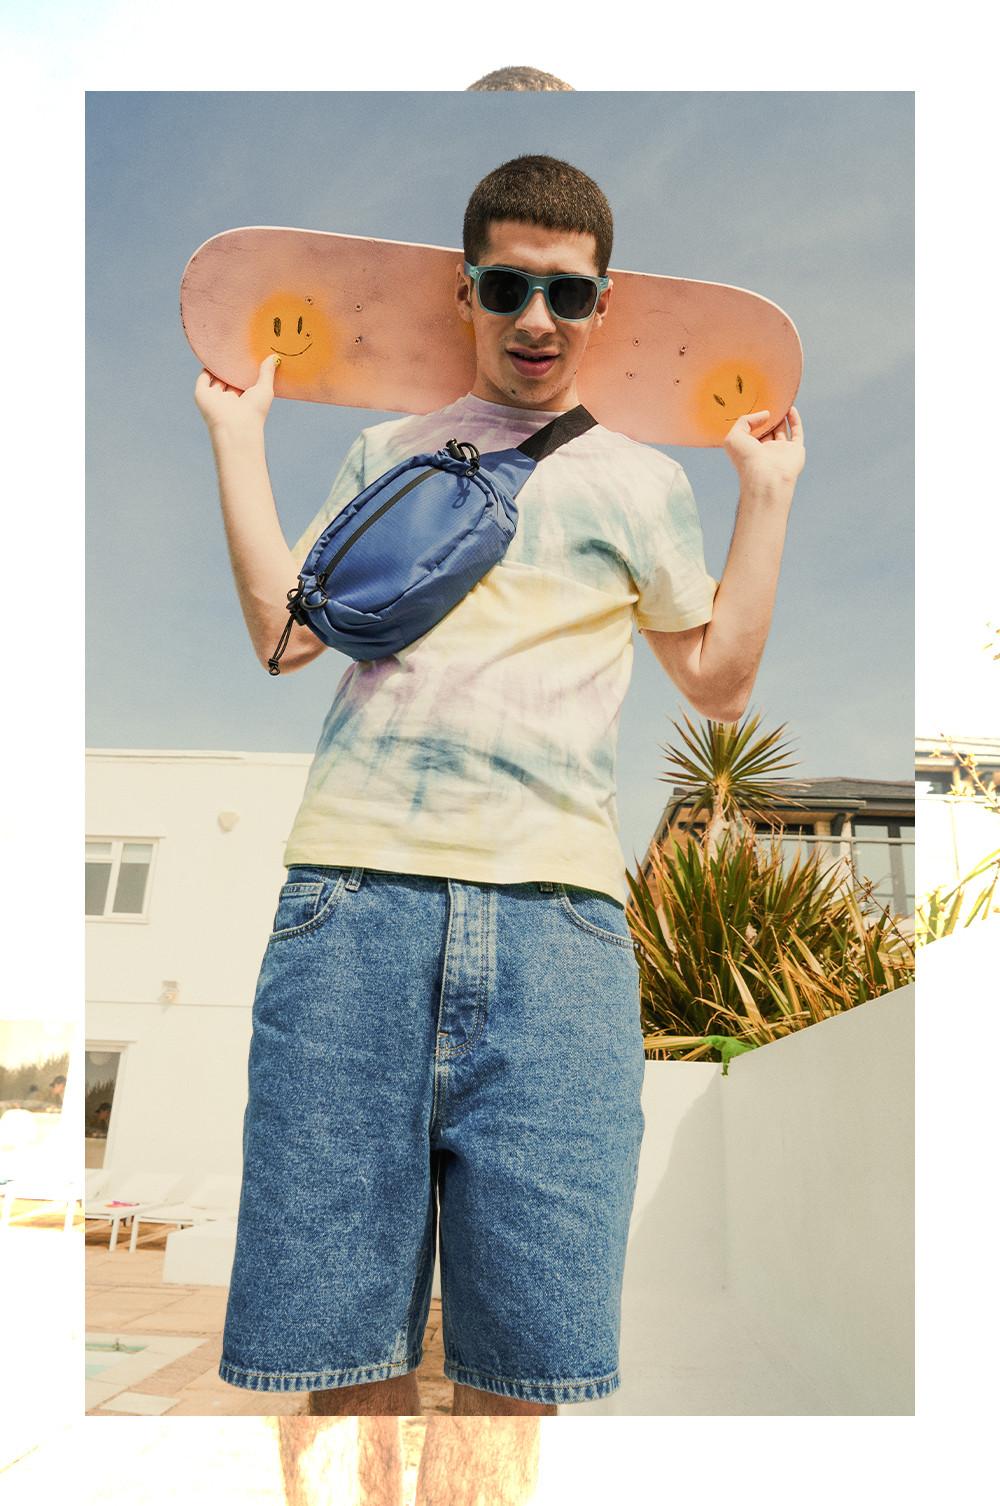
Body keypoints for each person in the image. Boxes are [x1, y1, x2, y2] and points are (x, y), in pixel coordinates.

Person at [194, 154, 805, 1419]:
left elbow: (720, 684)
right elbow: (285, 635)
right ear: (465, 289)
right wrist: (237, 437)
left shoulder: (642, 482)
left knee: (523, 1372)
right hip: (353, 902)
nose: (537, 318)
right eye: (510, 286)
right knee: (341, 1363)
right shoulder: (385, 448)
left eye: (566, 295)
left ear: (602, 302)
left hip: (557, 925)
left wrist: (768, 496)